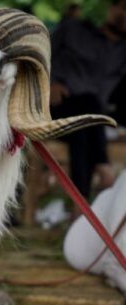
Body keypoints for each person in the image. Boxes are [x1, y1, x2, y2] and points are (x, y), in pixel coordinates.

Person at [50, 0, 126, 199]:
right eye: (123, 8)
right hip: (56, 106)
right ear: (111, 7)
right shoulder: (72, 29)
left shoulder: (122, 52)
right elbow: (39, 55)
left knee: (82, 130)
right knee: (88, 105)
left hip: (90, 123)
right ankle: (103, 165)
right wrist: (49, 83)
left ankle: (79, 206)